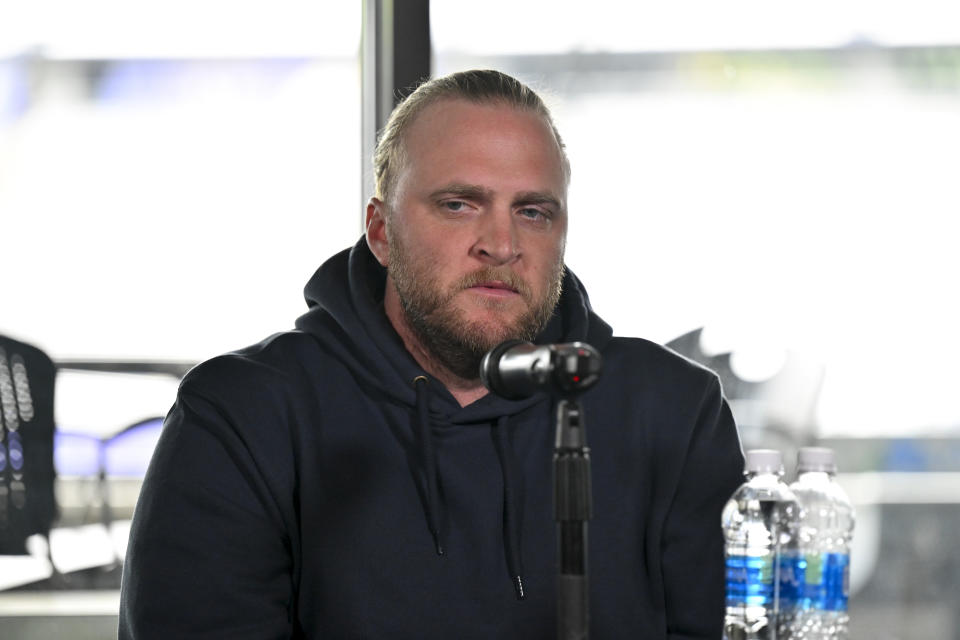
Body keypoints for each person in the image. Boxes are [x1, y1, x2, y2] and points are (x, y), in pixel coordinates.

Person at [119, 69, 744, 639]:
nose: (500, 243)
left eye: (532, 211)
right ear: (381, 230)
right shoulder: (245, 412)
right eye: (458, 205)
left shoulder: (674, 410)